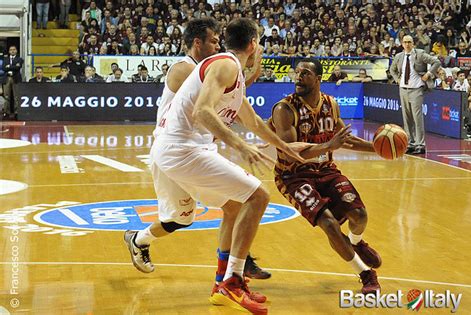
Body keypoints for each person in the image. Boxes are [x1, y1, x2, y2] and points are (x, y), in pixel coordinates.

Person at [125, 18, 308, 314]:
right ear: (253, 44)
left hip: (180, 149)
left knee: (232, 207)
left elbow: (253, 122)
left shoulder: (231, 71)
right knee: (258, 196)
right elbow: (202, 112)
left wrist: (284, 147)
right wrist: (241, 145)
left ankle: (221, 283)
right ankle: (232, 282)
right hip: (182, 148)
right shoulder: (226, 65)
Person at [269, 58, 381, 295]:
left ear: (318, 79)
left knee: (359, 214)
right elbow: (291, 152)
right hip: (293, 176)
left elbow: (345, 138)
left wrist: (379, 148)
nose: (298, 77)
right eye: (297, 72)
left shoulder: (331, 104)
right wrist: (328, 145)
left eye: (305, 73)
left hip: (326, 171)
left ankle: (356, 241)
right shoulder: (284, 109)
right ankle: (365, 273)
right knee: (329, 223)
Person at [389, 35, 441, 155]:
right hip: (403, 89)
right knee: (407, 118)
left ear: (413, 44)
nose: (407, 44)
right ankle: (410, 143)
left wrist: (428, 74)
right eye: (405, 42)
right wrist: (397, 79)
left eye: (409, 42)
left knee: (417, 118)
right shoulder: (399, 56)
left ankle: (420, 144)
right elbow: (392, 70)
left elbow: (436, 62)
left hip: (416, 89)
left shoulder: (420, 54)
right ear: (402, 44)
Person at [2, 46, 24, 119]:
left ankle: (17, 113)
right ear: (9, 51)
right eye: (11, 50)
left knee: (16, 97)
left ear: (16, 51)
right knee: (6, 96)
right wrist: (13, 66)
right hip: (7, 78)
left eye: (14, 49)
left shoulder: (20, 59)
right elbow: (3, 68)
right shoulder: (5, 59)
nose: (12, 51)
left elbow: (18, 67)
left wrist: (9, 66)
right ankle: (6, 113)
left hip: (16, 78)